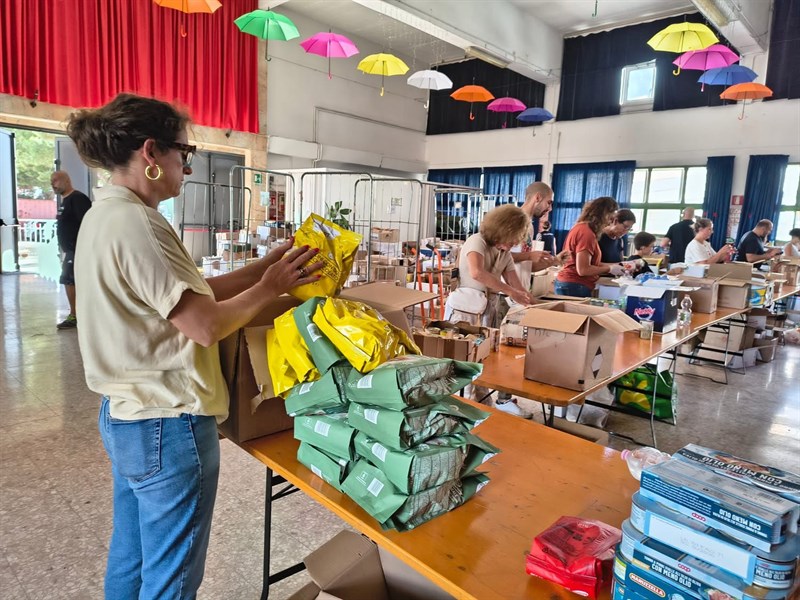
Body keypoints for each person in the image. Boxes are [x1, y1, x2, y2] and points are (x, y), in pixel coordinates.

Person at [66, 93, 323, 600]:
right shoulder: (140, 224)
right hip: (168, 422)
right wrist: (270, 290)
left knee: (134, 557)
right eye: (185, 154)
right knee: (173, 577)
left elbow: (188, 296)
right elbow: (205, 325)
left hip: (127, 415)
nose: (187, 166)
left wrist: (264, 269)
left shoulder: (106, 214)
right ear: (151, 153)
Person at [444, 203, 532, 418]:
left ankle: (486, 403)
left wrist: (534, 304)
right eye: (513, 237)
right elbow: (477, 273)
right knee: (460, 360)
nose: (514, 243)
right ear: (503, 229)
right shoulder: (477, 241)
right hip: (464, 311)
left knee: (486, 359)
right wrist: (512, 291)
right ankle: (455, 405)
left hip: (486, 311)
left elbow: (517, 286)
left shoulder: (505, 253)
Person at [555, 197, 627, 297]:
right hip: (575, 284)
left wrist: (615, 266)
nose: (609, 223)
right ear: (602, 214)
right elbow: (583, 270)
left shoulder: (582, 228)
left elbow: (591, 264)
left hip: (572, 284)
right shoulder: (586, 232)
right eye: (610, 219)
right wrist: (609, 269)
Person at [52, 170, 92, 329]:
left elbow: (88, 222)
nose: (52, 184)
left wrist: (83, 246)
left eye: (55, 180)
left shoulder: (77, 198)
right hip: (70, 250)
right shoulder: (65, 200)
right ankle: (78, 314)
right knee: (71, 280)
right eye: (51, 182)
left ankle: (75, 315)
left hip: (77, 249)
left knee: (68, 279)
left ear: (66, 180)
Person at [510, 181, 557, 271]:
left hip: (521, 284)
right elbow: (498, 257)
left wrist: (555, 261)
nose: (550, 209)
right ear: (538, 197)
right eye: (549, 202)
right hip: (506, 284)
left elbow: (527, 266)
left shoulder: (530, 226)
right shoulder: (512, 220)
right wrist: (529, 255)